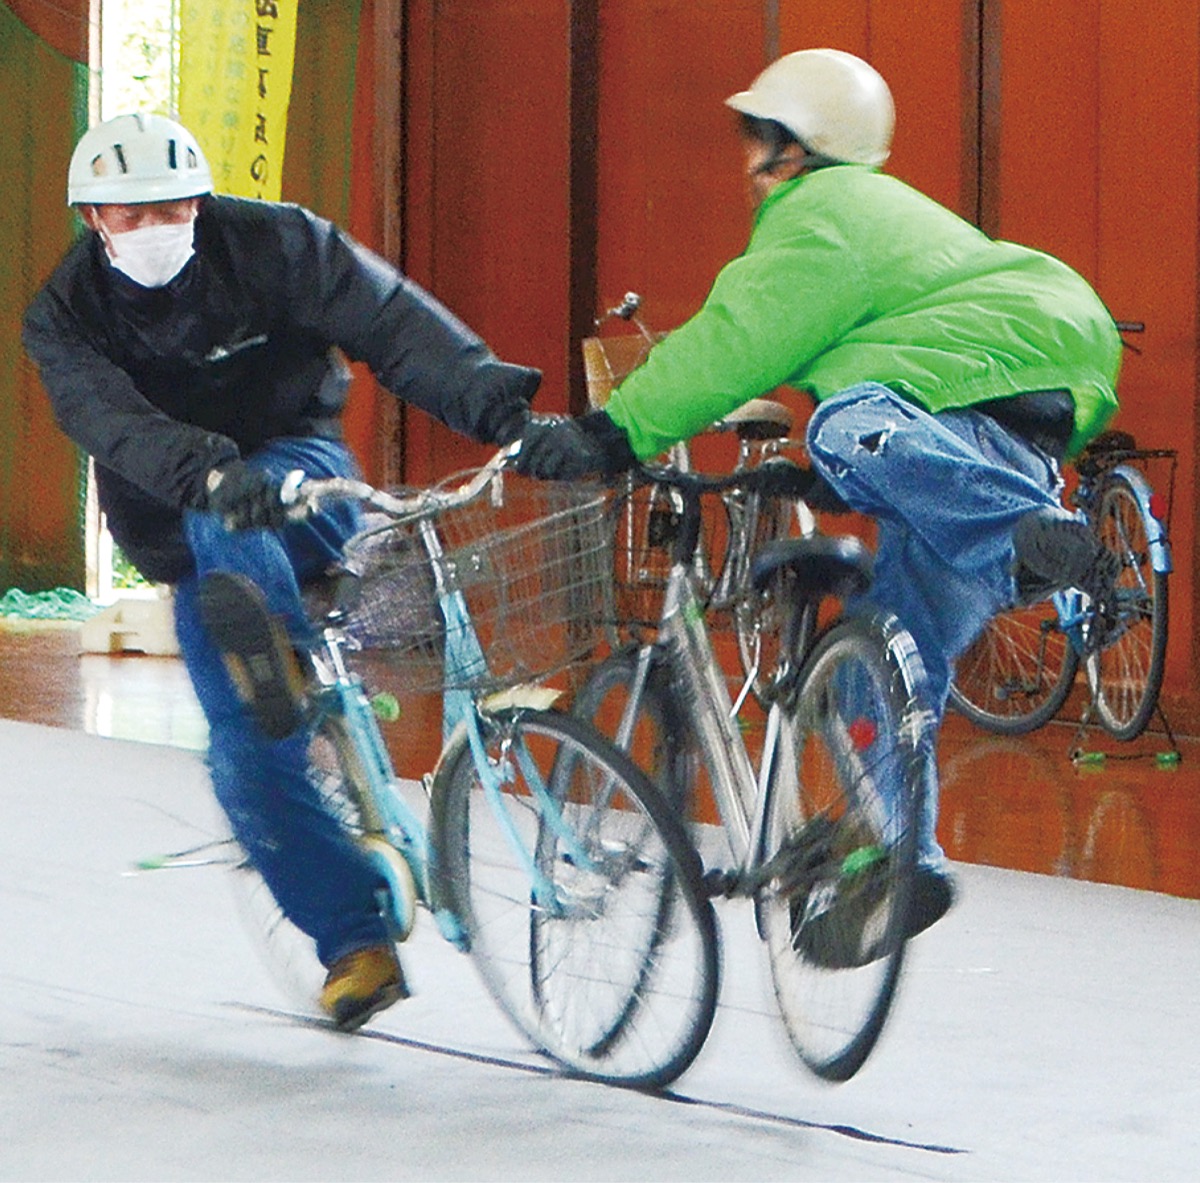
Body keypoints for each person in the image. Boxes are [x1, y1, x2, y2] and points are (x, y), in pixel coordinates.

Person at [513, 48, 1124, 938]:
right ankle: (904, 859)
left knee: (843, 422)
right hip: (1019, 412)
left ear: (791, 149)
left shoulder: (823, 213)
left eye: (757, 140)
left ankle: (1018, 533)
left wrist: (611, 432)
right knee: (882, 668)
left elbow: (733, 341)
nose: (749, 166)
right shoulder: (881, 221)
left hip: (977, 387)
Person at [23, 112, 540, 1030]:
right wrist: (208, 472)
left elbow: (393, 322)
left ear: (203, 198)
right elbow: (107, 420)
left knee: (247, 545)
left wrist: (498, 407)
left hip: (304, 475)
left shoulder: (279, 243)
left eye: (172, 206)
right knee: (244, 761)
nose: (152, 228)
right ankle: (353, 938)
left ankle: (276, 654)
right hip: (186, 518)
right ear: (92, 220)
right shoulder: (65, 313)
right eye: (126, 215)